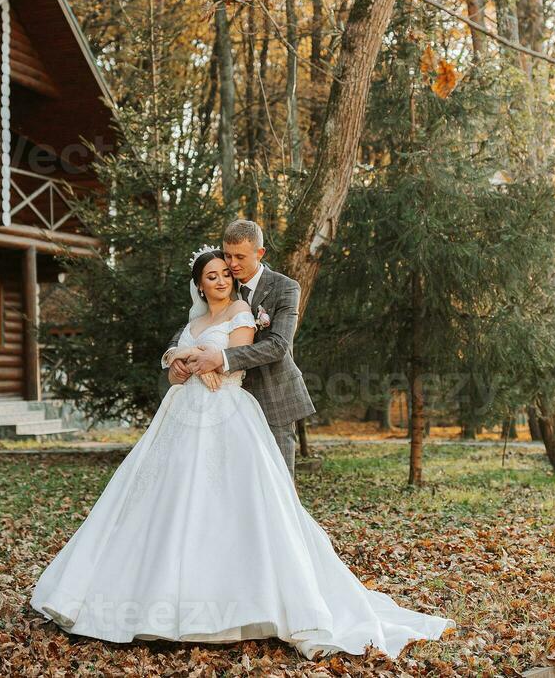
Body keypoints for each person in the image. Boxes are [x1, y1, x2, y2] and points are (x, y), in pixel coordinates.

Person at [29, 245, 454, 659]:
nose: (220, 280)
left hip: (228, 413)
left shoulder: (241, 313)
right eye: (211, 276)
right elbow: (182, 372)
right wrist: (182, 361)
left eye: (225, 274)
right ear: (198, 285)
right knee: (165, 501)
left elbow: (236, 356)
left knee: (237, 505)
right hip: (181, 417)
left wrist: (194, 358)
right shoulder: (195, 322)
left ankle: (250, 603)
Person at [168, 218, 315, 477]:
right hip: (227, 403)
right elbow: (197, 324)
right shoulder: (224, 278)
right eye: (227, 255)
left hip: (273, 395)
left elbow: (278, 345)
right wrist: (174, 353)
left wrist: (220, 358)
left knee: (277, 483)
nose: (232, 264)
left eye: (240, 257)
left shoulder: (285, 287)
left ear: (260, 253)